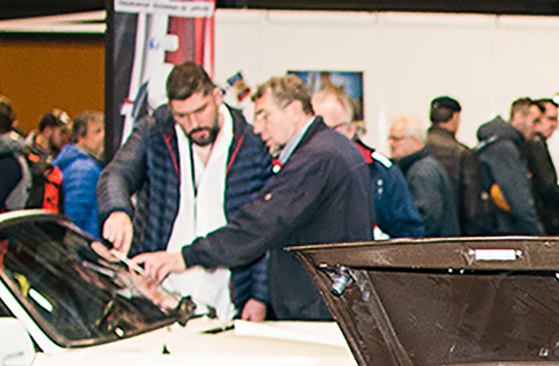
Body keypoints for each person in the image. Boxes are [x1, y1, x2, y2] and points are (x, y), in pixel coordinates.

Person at [132, 75, 373, 322]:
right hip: (331, 302)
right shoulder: (332, 148)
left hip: (318, 309)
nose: (257, 128)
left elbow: (260, 225)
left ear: (293, 109)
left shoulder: (316, 159)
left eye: (263, 115)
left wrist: (183, 258)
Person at [97, 62, 271, 321]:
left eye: (200, 111)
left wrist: (259, 296)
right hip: (162, 292)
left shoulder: (251, 142)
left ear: (217, 96)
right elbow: (117, 173)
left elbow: (265, 228)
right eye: (182, 116)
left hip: (230, 293)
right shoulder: (155, 131)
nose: (193, 123)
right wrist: (117, 211)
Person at [314, 86, 422, 239]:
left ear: (350, 129)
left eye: (326, 129)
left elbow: (408, 232)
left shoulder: (382, 172)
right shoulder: (291, 170)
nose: (317, 138)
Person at [476, 98, 542, 235]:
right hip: (504, 230)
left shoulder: (491, 143)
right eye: (534, 121)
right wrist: (539, 236)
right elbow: (518, 199)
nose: (536, 128)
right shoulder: (505, 149)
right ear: (518, 116)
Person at [425, 95, 489, 235]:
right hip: (453, 234)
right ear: (455, 117)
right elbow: (472, 207)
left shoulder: (417, 148)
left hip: (422, 234)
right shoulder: (462, 153)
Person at [388, 115, 459, 238]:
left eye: (396, 139)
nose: (391, 143)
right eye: (390, 138)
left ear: (415, 141)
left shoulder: (422, 173)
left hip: (433, 252)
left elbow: (427, 221)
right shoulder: (421, 167)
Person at [55, 110, 105, 236]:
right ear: (81, 137)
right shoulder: (83, 169)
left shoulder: (83, 164)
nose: (103, 136)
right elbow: (75, 220)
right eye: (97, 131)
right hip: (85, 249)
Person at [525, 98, 559, 235]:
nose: (555, 125)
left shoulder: (531, 144)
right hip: (545, 223)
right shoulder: (536, 144)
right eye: (551, 119)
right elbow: (546, 187)